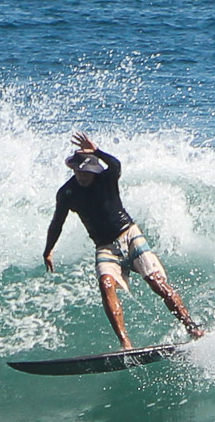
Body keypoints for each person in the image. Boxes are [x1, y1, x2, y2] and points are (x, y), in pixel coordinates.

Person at [43, 132, 204, 349]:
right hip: (104, 246)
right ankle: (125, 343)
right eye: (78, 171)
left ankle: (191, 327)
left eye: (85, 172)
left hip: (129, 235)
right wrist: (48, 250)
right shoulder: (67, 193)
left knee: (157, 282)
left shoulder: (106, 179)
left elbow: (116, 165)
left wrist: (97, 150)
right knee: (106, 284)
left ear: (93, 170)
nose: (81, 176)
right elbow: (57, 223)